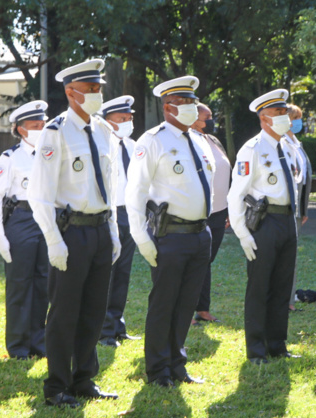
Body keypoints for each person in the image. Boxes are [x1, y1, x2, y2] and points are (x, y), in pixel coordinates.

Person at [29, 59, 121, 407]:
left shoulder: (104, 131)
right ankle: (56, 385)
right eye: (91, 89)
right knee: (64, 312)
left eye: (99, 88)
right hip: (71, 233)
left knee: (94, 310)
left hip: (98, 229)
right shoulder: (55, 131)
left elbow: (108, 187)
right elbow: (40, 193)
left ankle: (84, 378)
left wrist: (112, 230)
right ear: (71, 92)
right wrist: (54, 240)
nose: (98, 94)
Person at [125, 75, 213, 387]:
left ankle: (177, 364)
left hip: (199, 235)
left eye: (193, 101)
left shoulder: (200, 141)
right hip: (170, 235)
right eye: (184, 102)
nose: (191, 107)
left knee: (187, 303)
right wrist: (142, 238)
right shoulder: (153, 140)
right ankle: (158, 370)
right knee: (164, 304)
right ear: (168, 107)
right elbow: (134, 192)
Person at [227, 89, 301, 364]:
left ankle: (277, 344)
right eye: (278, 114)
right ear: (263, 118)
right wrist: (242, 233)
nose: (285, 117)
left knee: (282, 286)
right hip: (264, 222)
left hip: (286, 220)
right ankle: (256, 349)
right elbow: (235, 194)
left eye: (285, 112)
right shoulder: (252, 149)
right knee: (260, 287)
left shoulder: (287, 146)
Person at [0, 100, 49, 359]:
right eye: (35, 126)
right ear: (21, 129)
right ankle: (18, 345)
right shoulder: (10, 158)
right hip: (21, 218)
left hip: (46, 218)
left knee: (43, 283)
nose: (41, 129)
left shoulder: (51, 152)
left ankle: (38, 342)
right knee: (19, 284)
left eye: (43, 124)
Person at [98, 95, 142, 347]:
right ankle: (103, 331)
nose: (127, 122)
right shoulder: (103, 145)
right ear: (108, 121)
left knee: (123, 272)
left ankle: (117, 325)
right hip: (109, 214)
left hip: (130, 213)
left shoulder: (134, 146)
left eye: (129, 118)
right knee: (108, 272)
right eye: (122, 119)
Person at [191, 102, 231, 323]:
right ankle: (187, 310)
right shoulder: (188, 140)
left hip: (219, 211)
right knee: (195, 261)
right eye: (206, 117)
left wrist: (228, 208)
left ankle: (202, 308)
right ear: (193, 118)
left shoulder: (212, 140)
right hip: (199, 210)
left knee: (206, 260)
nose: (210, 120)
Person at [284, 103, 313, 311]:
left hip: (296, 211)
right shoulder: (281, 144)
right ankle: (282, 300)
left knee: (291, 257)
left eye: (299, 118)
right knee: (283, 257)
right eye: (294, 118)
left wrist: (303, 209)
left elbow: (303, 180)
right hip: (283, 210)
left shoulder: (296, 143)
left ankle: (289, 300)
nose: (297, 122)